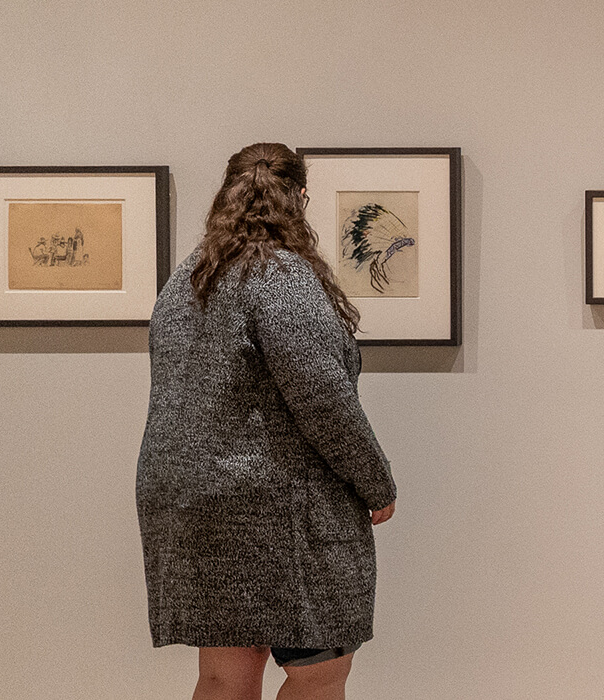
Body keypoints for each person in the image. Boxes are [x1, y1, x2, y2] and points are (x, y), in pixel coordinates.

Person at [136, 143, 398, 700]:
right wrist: (376, 483)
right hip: (273, 507)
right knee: (319, 675)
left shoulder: (186, 280)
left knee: (223, 676)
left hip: (191, 503)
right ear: (299, 198)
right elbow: (324, 399)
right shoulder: (280, 275)